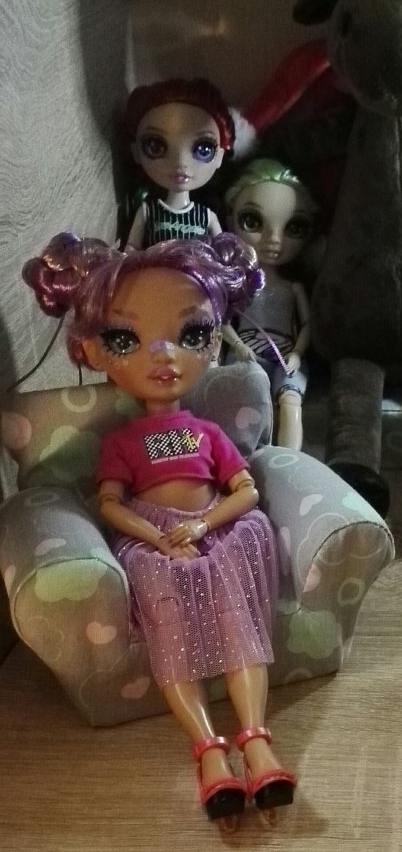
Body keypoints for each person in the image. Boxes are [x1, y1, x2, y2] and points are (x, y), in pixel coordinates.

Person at [22, 232, 296, 829]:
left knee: (239, 615)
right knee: (170, 629)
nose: (164, 355)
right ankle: (208, 751)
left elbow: (246, 490)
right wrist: (159, 537)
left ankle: (255, 741)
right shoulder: (123, 441)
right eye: (125, 339)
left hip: (216, 528)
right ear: (92, 351)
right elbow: (111, 503)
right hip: (157, 539)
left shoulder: (205, 433)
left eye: (191, 334)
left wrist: (201, 523)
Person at [222, 158, 319, 450]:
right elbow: (221, 320)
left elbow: (308, 324)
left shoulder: (294, 288)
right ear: (230, 220)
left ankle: (289, 462)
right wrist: (238, 345)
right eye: (252, 222)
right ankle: (244, 460)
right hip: (247, 354)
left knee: (290, 399)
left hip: (285, 353)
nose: (274, 240)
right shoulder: (240, 284)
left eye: (294, 227)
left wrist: (298, 353)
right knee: (248, 399)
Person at [123, 78, 234, 248]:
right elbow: (131, 248)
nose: (180, 163)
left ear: (219, 156)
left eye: (204, 149)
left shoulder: (207, 217)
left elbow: (222, 252)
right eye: (155, 147)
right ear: (136, 152)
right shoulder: (147, 212)